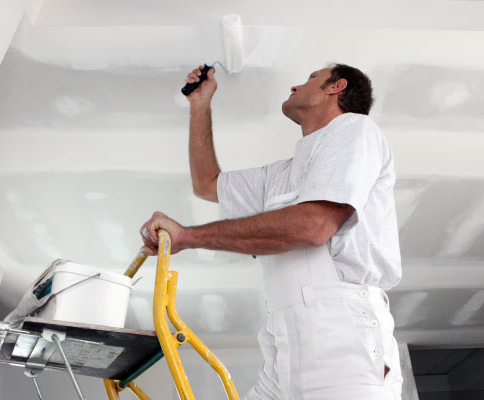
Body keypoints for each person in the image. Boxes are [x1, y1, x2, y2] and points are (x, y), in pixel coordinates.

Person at [140, 63, 403, 399]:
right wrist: (201, 106)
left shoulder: (355, 129)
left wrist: (189, 236)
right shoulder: (282, 175)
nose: (295, 86)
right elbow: (207, 184)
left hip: (341, 334)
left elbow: (314, 226)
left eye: (310, 78)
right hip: (284, 334)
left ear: (336, 87)